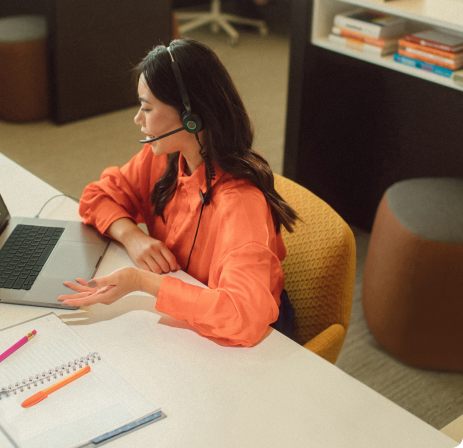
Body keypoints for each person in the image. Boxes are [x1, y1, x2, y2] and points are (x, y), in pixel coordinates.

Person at [59, 39, 298, 347]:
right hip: (193, 303)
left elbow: (243, 317)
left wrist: (142, 281)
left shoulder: (240, 203)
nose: (138, 120)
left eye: (147, 108)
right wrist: (134, 237)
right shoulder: (167, 155)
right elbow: (97, 196)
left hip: (258, 335)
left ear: (190, 117)